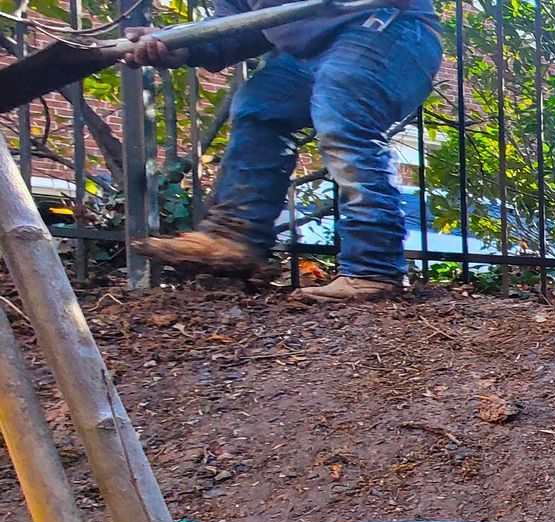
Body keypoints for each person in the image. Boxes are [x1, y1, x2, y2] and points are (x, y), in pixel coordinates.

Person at [120, 0, 441, 301]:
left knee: (341, 96)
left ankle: (374, 268)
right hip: (312, 52)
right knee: (258, 108)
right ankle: (235, 238)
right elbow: (237, 27)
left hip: (391, 28)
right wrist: (179, 43)